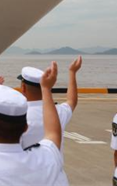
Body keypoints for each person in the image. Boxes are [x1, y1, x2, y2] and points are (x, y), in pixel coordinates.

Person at [18, 57, 82, 185]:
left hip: (27, 179)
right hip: (56, 179)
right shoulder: (58, 112)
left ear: (23, 87)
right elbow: (72, 101)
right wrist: (72, 73)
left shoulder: (17, 116)